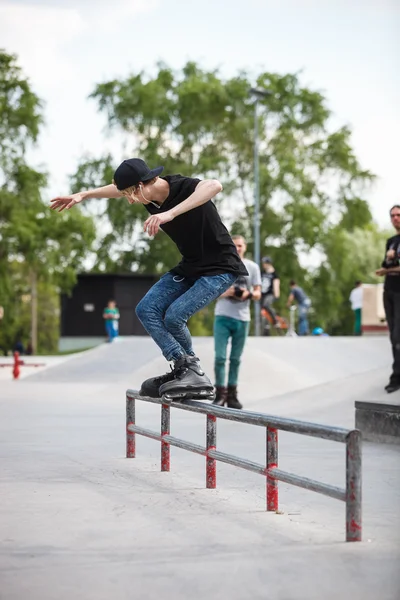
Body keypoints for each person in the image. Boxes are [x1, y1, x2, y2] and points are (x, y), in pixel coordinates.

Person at [50, 158, 247, 399]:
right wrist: (84, 195)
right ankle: (185, 369)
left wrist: (169, 214)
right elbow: (116, 190)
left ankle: (191, 372)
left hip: (221, 267)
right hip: (191, 266)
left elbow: (215, 185)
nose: (130, 200)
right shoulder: (145, 193)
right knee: (147, 309)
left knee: (174, 316)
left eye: (132, 194)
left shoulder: (182, 187)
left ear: (143, 185)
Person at [213, 235, 262, 409]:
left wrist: (246, 294)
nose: (238, 248)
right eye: (235, 245)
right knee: (220, 357)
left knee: (235, 358)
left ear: (245, 247)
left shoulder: (252, 267)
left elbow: (258, 293)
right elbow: (211, 292)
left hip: (242, 318)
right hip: (223, 316)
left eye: (240, 245)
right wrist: (230, 292)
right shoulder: (220, 264)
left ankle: (232, 395)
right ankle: (220, 393)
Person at [375, 205, 400, 393]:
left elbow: (389, 268)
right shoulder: (391, 241)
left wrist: (387, 270)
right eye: (392, 216)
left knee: (398, 336)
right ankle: (396, 374)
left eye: (398, 215)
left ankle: (396, 377)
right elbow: (386, 263)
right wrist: (388, 261)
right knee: (393, 336)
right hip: (389, 290)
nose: (395, 218)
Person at [260, 256, 280, 336]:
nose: (263, 265)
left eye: (264, 263)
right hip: (263, 294)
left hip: (270, 294)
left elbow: (276, 283)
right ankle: (266, 328)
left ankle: (275, 320)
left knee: (266, 305)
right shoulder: (263, 273)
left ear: (268, 263)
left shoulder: (274, 274)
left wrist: (276, 294)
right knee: (263, 312)